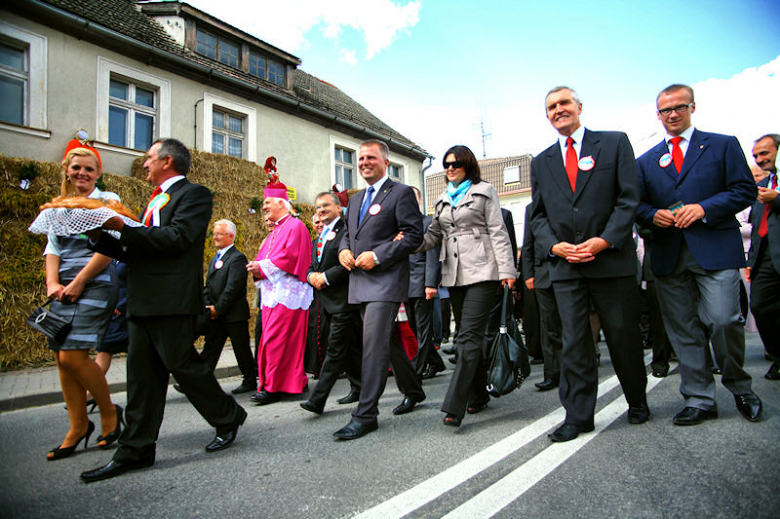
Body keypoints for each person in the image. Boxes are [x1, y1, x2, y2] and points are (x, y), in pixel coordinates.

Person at [81, 138, 247, 483]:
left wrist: (123, 227)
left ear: (167, 161)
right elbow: (137, 248)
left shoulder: (194, 194)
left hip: (171, 298)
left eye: (149, 159)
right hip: (142, 299)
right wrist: (100, 236)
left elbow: (177, 238)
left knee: (183, 366)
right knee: (141, 378)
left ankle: (228, 416)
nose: (144, 165)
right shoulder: (153, 200)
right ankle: (136, 449)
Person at [636, 84, 761, 425]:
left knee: (723, 320)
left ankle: (739, 385)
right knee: (684, 331)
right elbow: (637, 206)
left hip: (715, 249)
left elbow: (744, 190)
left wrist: (704, 208)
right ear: (658, 115)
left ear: (692, 107)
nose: (672, 114)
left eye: (679, 107)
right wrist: (652, 216)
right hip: (668, 254)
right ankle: (699, 398)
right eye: (665, 110)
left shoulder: (722, 145)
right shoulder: (645, 162)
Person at [530, 86, 649, 442]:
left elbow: (629, 199)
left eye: (564, 103)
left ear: (579, 106)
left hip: (611, 261)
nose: (558, 110)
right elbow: (537, 217)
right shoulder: (541, 162)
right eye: (551, 107)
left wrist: (604, 240)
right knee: (575, 343)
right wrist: (556, 247)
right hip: (566, 267)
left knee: (622, 335)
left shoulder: (613, 143)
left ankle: (637, 400)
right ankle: (578, 415)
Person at [417, 145, 515, 427]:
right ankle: (478, 395)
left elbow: (498, 232)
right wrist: (404, 242)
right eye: (446, 164)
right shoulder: (442, 200)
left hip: (484, 271)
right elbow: (432, 237)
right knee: (464, 335)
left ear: (467, 165)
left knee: (467, 338)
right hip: (455, 275)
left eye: (456, 163)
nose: (449, 168)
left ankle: (454, 404)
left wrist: (507, 270)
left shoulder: (484, 191)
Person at [336, 139, 426, 440]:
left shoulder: (399, 193)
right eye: (360, 158)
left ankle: (365, 415)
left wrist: (378, 255)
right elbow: (347, 235)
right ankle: (414, 389)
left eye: (371, 158)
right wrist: (343, 252)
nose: (364, 163)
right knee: (387, 342)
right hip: (360, 281)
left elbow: (413, 235)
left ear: (385, 162)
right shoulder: (355, 199)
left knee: (372, 346)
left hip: (385, 280)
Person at [43, 140, 122, 460]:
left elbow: (109, 248)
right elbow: (53, 249)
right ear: (67, 170)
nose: (83, 173)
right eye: (77, 167)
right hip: (63, 286)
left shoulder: (108, 200)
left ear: (98, 173)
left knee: (73, 356)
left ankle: (109, 415)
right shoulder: (59, 205)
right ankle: (77, 426)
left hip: (96, 283)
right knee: (61, 357)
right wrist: (52, 282)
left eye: (89, 169)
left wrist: (79, 281)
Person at [246, 177, 313, 405]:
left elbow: (291, 256)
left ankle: (273, 387)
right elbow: (266, 256)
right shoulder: (275, 231)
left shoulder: (296, 226)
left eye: (267, 202)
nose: (263, 207)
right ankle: (293, 381)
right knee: (275, 340)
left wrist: (261, 267)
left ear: (281, 203)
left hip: (288, 294)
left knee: (278, 341)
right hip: (273, 295)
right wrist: (257, 267)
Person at [300, 192, 362, 414]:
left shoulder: (346, 232)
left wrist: (324, 278)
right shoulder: (318, 237)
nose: (321, 210)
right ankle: (359, 387)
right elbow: (310, 266)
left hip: (345, 301)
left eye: (326, 205)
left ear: (338, 208)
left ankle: (317, 399)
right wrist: (311, 278)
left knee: (335, 350)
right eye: (318, 207)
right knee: (351, 348)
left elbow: (348, 263)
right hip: (326, 303)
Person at [199, 219, 257, 394]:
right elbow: (208, 285)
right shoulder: (215, 258)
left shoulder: (237, 258)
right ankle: (198, 378)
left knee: (241, 349)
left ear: (231, 236)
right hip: (216, 313)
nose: (215, 237)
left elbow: (233, 288)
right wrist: (209, 306)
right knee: (211, 347)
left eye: (219, 233)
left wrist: (219, 308)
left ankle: (249, 380)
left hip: (233, 314)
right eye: (214, 233)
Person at [746, 134, 780, 380]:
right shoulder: (763, 185)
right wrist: (750, 262)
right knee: (760, 305)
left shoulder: (772, 191)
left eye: (765, 153)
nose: (760, 159)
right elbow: (758, 224)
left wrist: (777, 199)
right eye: (757, 155)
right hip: (765, 258)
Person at [522, 203, 563, 392]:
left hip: (569, 271)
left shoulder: (567, 198)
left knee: (573, 325)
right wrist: (528, 274)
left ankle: (575, 371)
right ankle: (552, 374)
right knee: (549, 327)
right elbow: (527, 243)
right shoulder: (532, 208)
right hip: (542, 274)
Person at [406, 186, 446, 380]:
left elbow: (433, 256)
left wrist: (431, 283)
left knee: (423, 330)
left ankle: (417, 370)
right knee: (415, 328)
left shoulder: (428, 223)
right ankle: (436, 362)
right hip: (405, 285)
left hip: (422, 284)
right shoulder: (401, 225)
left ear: (419, 200)